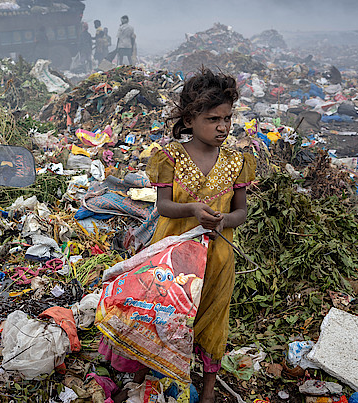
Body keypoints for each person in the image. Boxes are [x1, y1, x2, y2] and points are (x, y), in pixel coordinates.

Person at [99, 68, 255, 403]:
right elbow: (165, 207)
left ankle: (209, 390)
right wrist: (195, 210)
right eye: (213, 119)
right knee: (163, 315)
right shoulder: (169, 157)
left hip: (217, 258)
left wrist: (223, 219)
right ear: (188, 120)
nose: (223, 128)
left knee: (212, 318)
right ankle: (142, 373)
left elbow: (242, 212)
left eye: (227, 119)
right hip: (172, 258)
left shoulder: (237, 162)